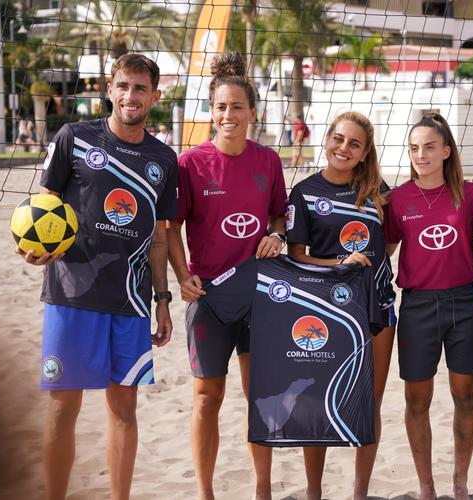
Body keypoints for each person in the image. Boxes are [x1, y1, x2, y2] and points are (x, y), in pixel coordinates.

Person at [15, 53, 179, 500]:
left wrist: (163, 299)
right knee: (63, 407)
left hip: (130, 299)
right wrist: (35, 247)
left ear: (154, 97)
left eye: (140, 88)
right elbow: (44, 207)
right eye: (123, 85)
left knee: (124, 408)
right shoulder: (74, 137)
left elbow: (160, 237)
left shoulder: (163, 158)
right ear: (109, 89)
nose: (131, 95)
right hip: (72, 293)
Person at [166, 51, 287, 500]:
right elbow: (171, 228)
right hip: (210, 299)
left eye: (237, 106)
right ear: (211, 111)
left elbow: (279, 215)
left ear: (252, 111)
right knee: (206, 398)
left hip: (259, 298)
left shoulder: (268, 161)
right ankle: (205, 492)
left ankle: (262, 490)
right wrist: (182, 275)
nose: (228, 115)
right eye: (220, 107)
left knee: (261, 396)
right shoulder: (190, 164)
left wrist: (276, 235)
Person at [286, 111, 396, 500]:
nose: (344, 148)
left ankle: (360, 493)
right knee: (316, 403)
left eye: (354, 144)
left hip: (377, 306)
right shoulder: (304, 192)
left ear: (365, 153)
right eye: (338, 138)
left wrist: (366, 273)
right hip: (325, 309)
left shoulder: (378, 191)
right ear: (327, 138)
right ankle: (314, 492)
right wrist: (339, 264)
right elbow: (296, 256)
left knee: (370, 402)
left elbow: (389, 244)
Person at [385, 113, 473, 500]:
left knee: (465, 396)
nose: (420, 155)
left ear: (445, 151)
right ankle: (426, 486)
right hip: (417, 306)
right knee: (417, 400)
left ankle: (460, 479)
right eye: (414, 148)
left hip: (464, 303)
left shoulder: (470, 194)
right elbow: (385, 249)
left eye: (429, 147)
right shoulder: (398, 198)